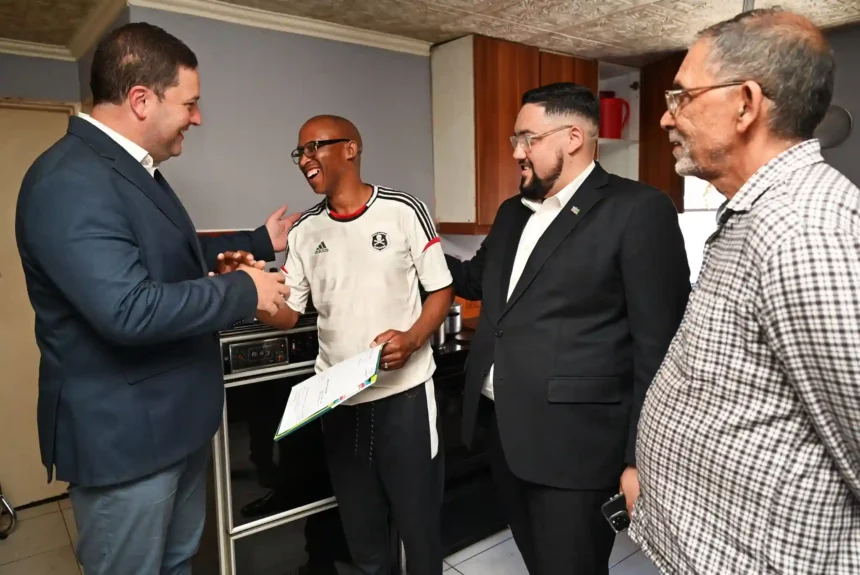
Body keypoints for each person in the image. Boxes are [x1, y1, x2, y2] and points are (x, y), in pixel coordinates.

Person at [14, 22, 295, 575]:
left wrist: (258, 244)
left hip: (173, 429)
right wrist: (245, 288)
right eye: (190, 103)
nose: (198, 117)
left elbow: (171, 249)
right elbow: (128, 309)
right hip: (129, 445)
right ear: (141, 100)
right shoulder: (69, 180)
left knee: (176, 561)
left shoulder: (133, 173)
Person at [629, 8, 860, 574]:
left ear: (746, 103)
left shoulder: (806, 231)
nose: (666, 118)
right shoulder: (756, 216)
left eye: (681, 96)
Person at [445, 83, 691, 575]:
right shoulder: (512, 212)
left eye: (527, 138)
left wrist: (640, 460)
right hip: (506, 434)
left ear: (574, 136)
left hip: (578, 449)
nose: (517, 151)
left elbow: (659, 350)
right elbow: (474, 280)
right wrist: (411, 243)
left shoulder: (638, 210)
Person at [252, 114, 454, 575]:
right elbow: (288, 314)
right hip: (339, 403)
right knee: (363, 538)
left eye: (314, 147)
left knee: (419, 533)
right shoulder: (304, 231)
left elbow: (440, 289)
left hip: (403, 401)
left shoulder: (404, 211)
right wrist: (255, 294)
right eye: (299, 152)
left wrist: (413, 336)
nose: (304, 159)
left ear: (350, 148)